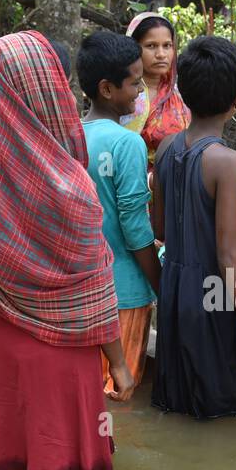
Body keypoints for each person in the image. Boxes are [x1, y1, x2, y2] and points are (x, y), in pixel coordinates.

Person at [0, 30, 134, 470]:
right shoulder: (71, 189)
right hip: (60, 359)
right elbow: (93, 286)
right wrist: (119, 365)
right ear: (48, 96)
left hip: (1, 348)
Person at [151, 36, 236, 418]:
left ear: (182, 93)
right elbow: (229, 255)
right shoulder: (228, 162)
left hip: (175, 290)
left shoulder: (166, 148)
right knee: (223, 404)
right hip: (215, 296)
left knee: (179, 399)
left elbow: (161, 226)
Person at [77, 31, 160, 396]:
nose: (141, 92)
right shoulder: (127, 143)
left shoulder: (71, 136)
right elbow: (134, 226)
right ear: (108, 89)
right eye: (134, 83)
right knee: (120, 392)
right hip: (124, 291)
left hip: (80, 292)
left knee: (88, 394)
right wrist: (160, 283)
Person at [124, 12, 189, 168]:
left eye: (167, 46)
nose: (161, 54)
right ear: (133, 48)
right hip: (131, 182)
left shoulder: (183, 92)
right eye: (151, 46)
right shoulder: (121, 93)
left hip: (176, 183)